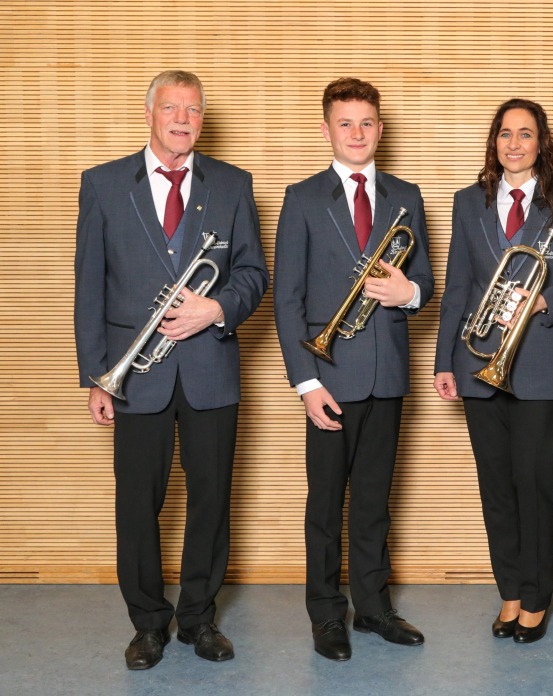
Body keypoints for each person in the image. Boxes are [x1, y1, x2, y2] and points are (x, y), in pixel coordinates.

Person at [74, 70, 269, 670]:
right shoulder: (104, 183)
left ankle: (199, 620)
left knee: (212, 500)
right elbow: (89, 284)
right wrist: (96, 375)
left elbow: (253, 274)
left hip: (210, 368)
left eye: (193, 109)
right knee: (137, 504)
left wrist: (217, 308)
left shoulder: (233, 184)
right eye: (171, 108)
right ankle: (147, 624)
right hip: (134, 375)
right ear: (149, 113)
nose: (182, 119)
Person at [433, 98, 553, 644]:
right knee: (496, 486)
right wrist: (444, 361)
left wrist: (544, 300)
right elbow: (457, 287)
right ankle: (509, 591)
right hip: (477, 362)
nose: (514, 144)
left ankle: (535, 599)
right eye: (505, 133)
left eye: (525, 134)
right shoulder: (469, 202)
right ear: (494, 142)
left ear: (541, 143)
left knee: (535, 483)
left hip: (542, 366)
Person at [273, 77, 433, 661]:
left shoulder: (405, 195)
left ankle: (372, 607)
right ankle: (325, 613)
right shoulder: (302, 197)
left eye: (366, 123)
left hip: (386, 374)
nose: (357, 133)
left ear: (380, 130)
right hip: (329, 375)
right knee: (325, 505)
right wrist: (306, 382)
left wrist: (409, 293)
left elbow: (426, 280)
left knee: (373, 502)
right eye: (345, 123)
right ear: (327, 131)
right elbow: (286, 298)